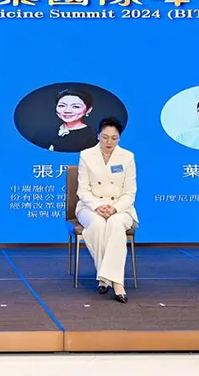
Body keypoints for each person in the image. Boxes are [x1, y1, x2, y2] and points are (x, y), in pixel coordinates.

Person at [76, 116, 138, 303]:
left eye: (114, 138)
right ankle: (109, 278)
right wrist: (97, 206)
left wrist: (114, 208)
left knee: (115, 224)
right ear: (98, 136)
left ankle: (113, 282)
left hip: (120, 208)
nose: (109, 142)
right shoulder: (86, 155)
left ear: (119, 138)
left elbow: (130, 193)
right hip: (90, 207)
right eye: (105, 137)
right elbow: (82, 190)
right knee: (96, 225)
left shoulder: (127, 156)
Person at [32, 88, 98, 153]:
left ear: (88, 110)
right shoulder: (42, 133)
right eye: (62, 106)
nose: (67, 111)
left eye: (76, 106)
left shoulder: (95, 136)